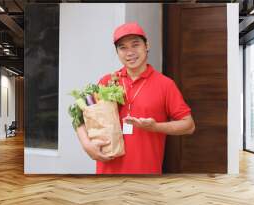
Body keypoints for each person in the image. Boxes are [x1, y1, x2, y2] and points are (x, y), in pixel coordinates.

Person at [76, 22, 195, 174]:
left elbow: (189, 125)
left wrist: (155, 127)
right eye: (122, 47)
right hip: (107, 172)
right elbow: (80, 114)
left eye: (135, 44)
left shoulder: (166, 85)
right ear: (117, 52)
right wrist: (87, 145)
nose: (129, 52)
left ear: (147, 46)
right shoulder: (107, 81)